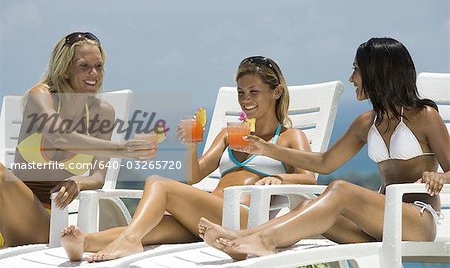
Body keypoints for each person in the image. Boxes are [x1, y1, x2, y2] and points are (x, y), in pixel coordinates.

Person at [199, 38, 450, 260]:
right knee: (308, 207)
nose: (352, 78)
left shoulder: (424, 116)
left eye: (356, 70)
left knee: (340, 190)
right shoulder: (366, 123)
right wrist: (268, 149)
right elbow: (325, 163)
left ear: (378, 72)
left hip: (416, 220)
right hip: (378, 224)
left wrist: (439, 176)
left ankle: (262, 241)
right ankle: (241, 238)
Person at [60, 56, 317, 262]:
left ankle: (128, 241)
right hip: (208, 218)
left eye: (253, 92)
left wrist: (278, 178)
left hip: (245, 217)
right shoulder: (230, 134)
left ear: (276, 92)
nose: (245, 100)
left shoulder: (290, 138)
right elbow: (195, 176)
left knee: (158, 183)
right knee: (154, 228)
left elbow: (310, 179)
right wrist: (191, 146)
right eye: (240, 92)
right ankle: (86, 242)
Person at [0, 32, 154, 248]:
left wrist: (78, 182)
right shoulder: (41, 96)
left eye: (99, 66)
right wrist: (122, 148)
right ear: (64, 69)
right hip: (10, 208)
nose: (94, 73)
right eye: (84, 66)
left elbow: (99, 177)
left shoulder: (102, 112)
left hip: (49, 216)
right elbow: (60, 135)